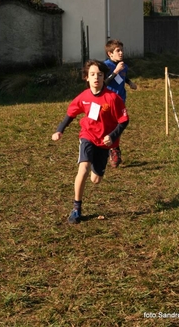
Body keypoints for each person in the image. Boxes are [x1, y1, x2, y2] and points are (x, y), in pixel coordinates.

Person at [52, 60, 129, 224]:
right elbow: (71, 114)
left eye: (99, 75)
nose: (96, 78)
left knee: (95, 179)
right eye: (92, 74)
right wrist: (59, 130)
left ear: (104, 77)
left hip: (105, 142)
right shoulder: (83, 97)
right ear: (86, 78)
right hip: (87, 135)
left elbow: (124, 120)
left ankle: (102, 161)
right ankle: (76, 209)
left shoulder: (113, 98)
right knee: (83, 168)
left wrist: (113, 136)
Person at [104, 39, 137, 168]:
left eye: (122, 50)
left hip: (121, 100)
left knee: (120, 124)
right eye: (118, 51)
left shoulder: (124, 66)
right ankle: (113, 150)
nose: (121, 53)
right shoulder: (106, 66)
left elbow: (123, 77)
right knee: (110, 126)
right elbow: (104, 82)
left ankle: (114, 149)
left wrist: (129, 82)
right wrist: (115, 71)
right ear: (110, 54)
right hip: (108, 101)